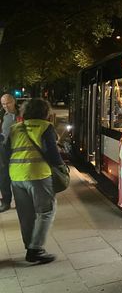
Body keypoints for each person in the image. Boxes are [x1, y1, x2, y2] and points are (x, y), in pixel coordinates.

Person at [5, 98, 65, 264]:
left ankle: (30, 247)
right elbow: (53, 154)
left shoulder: (14, 128)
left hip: (16, 176)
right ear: (45, 112)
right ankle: (35, 249)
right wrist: (62, 168)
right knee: (46, 211)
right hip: (38, 175)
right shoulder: (46, 127)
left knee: (25, 215)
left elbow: (5, 153)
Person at [0, 94, 20, 212]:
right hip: (3, 150)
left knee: (18, 177)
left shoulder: (23, 114)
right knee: (3, 176)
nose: (5, 106)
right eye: (3, 104)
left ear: (14, 102)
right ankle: (6, 202)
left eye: (8, 103)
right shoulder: (2, 115)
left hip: (19, 149)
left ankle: (21, 201)